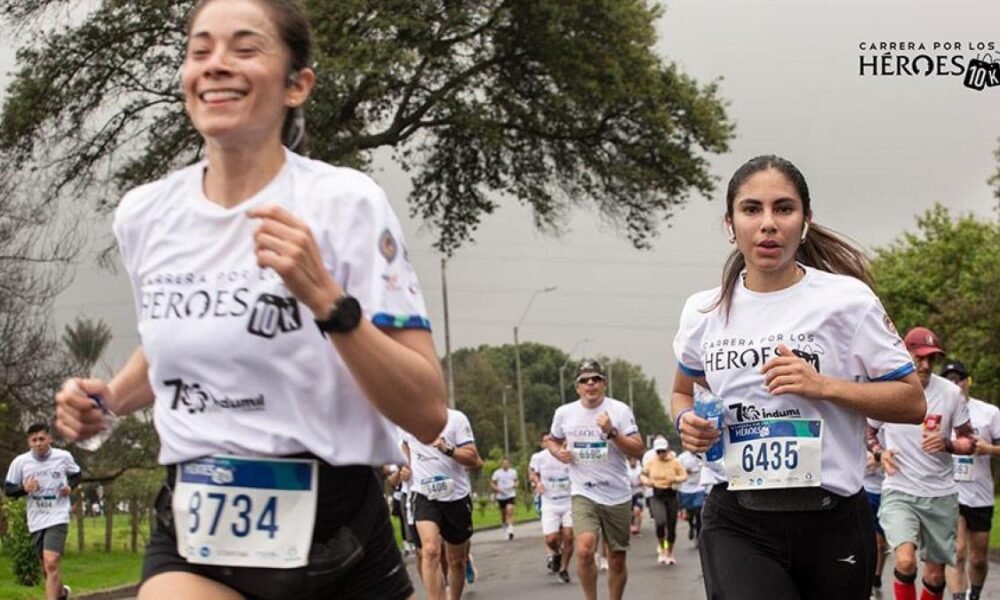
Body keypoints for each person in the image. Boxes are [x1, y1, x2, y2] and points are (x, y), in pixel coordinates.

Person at [52, 1, 448, 598]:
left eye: (244, 48)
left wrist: (327, 301)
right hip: (196, 523)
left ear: (297, 85)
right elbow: (171, 345)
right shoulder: (145, 214)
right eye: (200, 49)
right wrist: (107, 401)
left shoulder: (348, 205)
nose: (216, 65)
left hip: (337, 539)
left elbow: (426, 412)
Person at [673, 154, 926, 600]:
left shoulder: (846, 301)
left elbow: (912, 402)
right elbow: (682, 391)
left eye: (783, 209)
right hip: (737, 519)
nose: (768, 224)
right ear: (730, 223)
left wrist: (823, 385)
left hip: (832, 520)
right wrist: (685, 422)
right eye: (752, 209)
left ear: (805, 221)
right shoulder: (703, 311)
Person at [867, 327, 976, 600]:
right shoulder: (890, 390)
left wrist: (948, 444)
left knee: (935, 576)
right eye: (919, 358)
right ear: (906, 354)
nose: (925, 365)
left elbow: (969, 441)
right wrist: (880, 453)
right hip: (899, 490)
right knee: (904, 561)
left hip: (940, 494)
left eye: (931, 359)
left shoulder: (951, 394)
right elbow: (867, 432)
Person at [546, 358, 645, 600]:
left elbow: (637, 449)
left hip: (616, 493)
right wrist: (559, 452)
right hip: (583, 492)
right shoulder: (564, 413)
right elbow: (551, 440)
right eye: (584, 380)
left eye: (596, 379)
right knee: (585, 549)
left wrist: (612, 431)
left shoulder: (619, 410)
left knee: (617, 558)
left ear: (604, 384)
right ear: (577, 387)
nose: (591, 384)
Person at [402, 408, 483, 600]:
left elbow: (473, 458)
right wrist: (405, 467)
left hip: (456, 496)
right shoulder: (407, 419)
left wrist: (447, 449)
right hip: (423, 494)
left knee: (456, 562)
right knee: (430, 550)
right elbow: (405, 449)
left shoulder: (456, 419)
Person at [941, 361, 1000, 600]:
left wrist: (987, 449)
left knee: (977, 558)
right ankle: (958, 597)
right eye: (950, 379)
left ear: (968, 381)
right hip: (950, 492)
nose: (955, 384)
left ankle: (974, 593)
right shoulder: (939, 411)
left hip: (980, 493)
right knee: (957, 551)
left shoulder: (989, 413)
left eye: (959, 378)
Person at [4, 423, 80, 600]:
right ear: (29, 442)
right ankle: (62, 594)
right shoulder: (21, 462)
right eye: (34, 440)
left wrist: (70, 487)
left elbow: (77, 474)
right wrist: (25, 488)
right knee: (47, 568)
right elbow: (9, 489)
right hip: (36, 518)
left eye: (42, 439)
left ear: (49, 439)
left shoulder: (63, 457)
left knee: (52, 561)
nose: (38, 443)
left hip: (58, 515)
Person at [530, 438, 575, 583]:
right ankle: (558, 552)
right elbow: (533, 473)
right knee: (551, 540)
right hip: (549, 502)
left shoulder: (570, 454)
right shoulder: (539, 457)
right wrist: (537, 483)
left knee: (569, 535)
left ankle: (564, 569)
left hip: (569, 501)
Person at [640, 437, 687, 565]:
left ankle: (670, 552)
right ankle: (661, 547)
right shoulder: (651, 462)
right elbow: (643, 474)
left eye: (663, 451)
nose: (661, 453)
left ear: (667, 449)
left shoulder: (675, 462)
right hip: (657, 494)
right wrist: (646, 481)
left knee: (671, 525)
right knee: (660, 521)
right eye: (658, 451)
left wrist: (675, 478)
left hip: (671, 493)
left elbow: (684, 476)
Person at [864, 431, 889, 599]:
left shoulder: (895, 425)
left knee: (882, 544)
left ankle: (877, 577)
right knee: (873, 541)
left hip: (889, 491)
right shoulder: (865, 427)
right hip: (866, 489)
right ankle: (869, 581)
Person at [676, 449, 706, 543]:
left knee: (698, 510)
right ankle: (691, 526)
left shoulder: (703, 455)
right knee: (690, 512)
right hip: (686, 488)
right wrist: (684, 471)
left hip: (699, 487)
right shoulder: (682, 457)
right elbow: (677, 470)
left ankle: (698, 535)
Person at [490, 457, 518, 540]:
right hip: (501, 496)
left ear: (509, 464)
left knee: (510, 510)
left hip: (511, 494)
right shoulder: (497, 473)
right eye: (504, 463)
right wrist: (496, 488)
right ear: (501, 464)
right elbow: (492, 483)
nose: (505, 465)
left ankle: (511, 530)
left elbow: (516, 481)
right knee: (503, 514)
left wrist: (515, 484)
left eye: (507, 463)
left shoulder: (513, 472)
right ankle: (504, 528)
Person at [626, 456, 644, 535]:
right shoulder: (625, 469)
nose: (633, 462)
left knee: (637, 510)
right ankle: (630, 525)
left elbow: (645, 479)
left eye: (634, 460)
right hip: (628, 493)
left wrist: (641, 482)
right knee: (629, 512)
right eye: (631, 461)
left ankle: (638, 528)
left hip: (639, 492)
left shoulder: (641, 469)